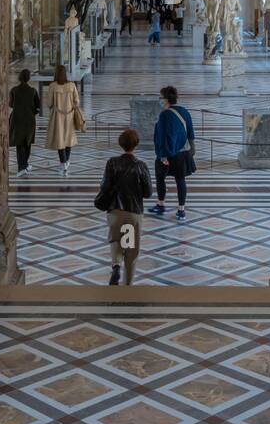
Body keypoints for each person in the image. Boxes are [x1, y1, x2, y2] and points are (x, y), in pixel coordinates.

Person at [94, 128, 152, 286]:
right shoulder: (141, 166)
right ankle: (127, 285)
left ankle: (116, 265)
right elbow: (148, 193)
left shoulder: (112, 163)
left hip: (115, 211)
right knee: (131, 250)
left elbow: (105, 186)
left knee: (116, 240)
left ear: (121, 144)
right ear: (136, 144)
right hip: (133, 212)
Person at [149, 85, 195, 222]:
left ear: (166, 99)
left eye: (161, 97)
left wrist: (162, 156)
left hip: (168, 154)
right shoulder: (184, 111)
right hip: (183, 153)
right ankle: (181, 210)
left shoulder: (164, 115)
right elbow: (190, 131)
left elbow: (161, 137)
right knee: (180, 180)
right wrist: (192, 149)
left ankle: (161, 204)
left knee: (160, 177)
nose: (160, 100)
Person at [45, 63, 82, 177]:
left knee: (59, 139)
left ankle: (63, 163)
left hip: (58, 116)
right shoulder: (71, 85)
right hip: (70, 115)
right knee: (68, 138)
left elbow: (49, 103)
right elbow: (77, 101)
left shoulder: (53, 86)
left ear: (56, 74)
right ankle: (66, 161)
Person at [9, 68, 41, 178]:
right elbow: (38, 106)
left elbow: (11, 104)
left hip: (17, 119)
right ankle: (24, 165)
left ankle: (22, 167)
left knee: (19, 144)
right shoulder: (33, 91)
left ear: (19, 77)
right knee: (27, 142)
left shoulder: (14, 90)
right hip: (29, 120)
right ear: (29, 78)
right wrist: (32, 112)